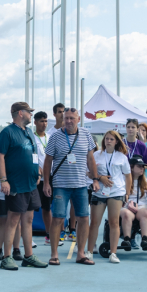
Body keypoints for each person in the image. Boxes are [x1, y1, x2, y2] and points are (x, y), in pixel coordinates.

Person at [0, 102, 48, 269]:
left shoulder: (29, 132)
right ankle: (6, 257)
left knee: (29, 219)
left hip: (31, 183)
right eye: (29, 112)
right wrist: (4, 180)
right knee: (13, 219)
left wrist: (37, 171)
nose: (31, 115)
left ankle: (28, 256)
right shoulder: (7, 132)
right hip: (16, 183)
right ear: (20, 113)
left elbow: (33, 154)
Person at [42, 107, 98, 264]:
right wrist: (46, 183)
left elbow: (90, 159)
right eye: (66, 118)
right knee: (58, 218)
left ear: (78, 120)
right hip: (61, 184)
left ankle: (81, 254)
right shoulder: (55, 136)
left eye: (72, 118)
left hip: (81, 184)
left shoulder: (86, 134)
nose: (68, 121)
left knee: (84, 218)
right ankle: (54, 255)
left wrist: (95, 179)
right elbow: (48, 161)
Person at [89, 130, 131, 263]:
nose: (108, 141)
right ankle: (89, 252)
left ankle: (113, 253)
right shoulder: (96, 155)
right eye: (106, 139)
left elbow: (128, 176)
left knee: (114, 222)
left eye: (111, 139)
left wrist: (127, 193)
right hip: (99, 192)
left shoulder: (122, 157)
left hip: (116, 192)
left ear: (116, 141)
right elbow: (88, 173)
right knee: (94, 222)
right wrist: (100, 177)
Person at [120, 156, 147, 249]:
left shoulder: (145, 181)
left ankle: (145, 239)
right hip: (127, 206)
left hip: (141, 206)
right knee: (126, 214)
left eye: (142, 167)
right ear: (131, 167)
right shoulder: (123, 179)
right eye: (139, 166)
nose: (142, 169)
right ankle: (127, 239)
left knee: (145, 213)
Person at [33, 111, 55, 237]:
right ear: (35, 122)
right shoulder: (32, 138)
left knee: (47, 208)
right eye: (41, 121)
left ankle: (50, 235)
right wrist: (38, 169)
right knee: (31, 209)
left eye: (46, 121)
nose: (44, 124)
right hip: (37, 178)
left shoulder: (50, 137)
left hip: (50, 177)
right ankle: (27, 238)